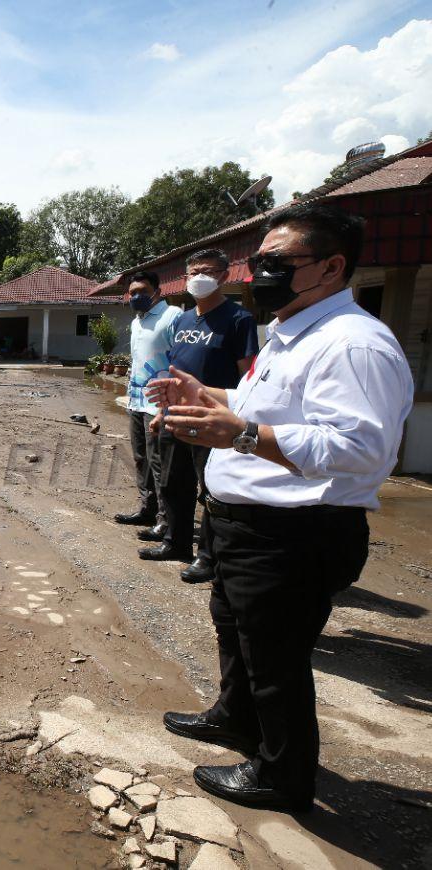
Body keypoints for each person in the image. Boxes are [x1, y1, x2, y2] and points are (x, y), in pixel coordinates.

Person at [150, 203, 413, 810]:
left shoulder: (353, 344)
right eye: (257, 262)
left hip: (294, 533)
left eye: (276, 261)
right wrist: (204, 394)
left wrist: (239, 436)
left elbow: (361, 450)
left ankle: (283, 775)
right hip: (247, 525)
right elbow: (258, 404)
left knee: (276, 659)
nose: (257, 274)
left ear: (331, 267)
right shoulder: (292, 332)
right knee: (237, 632)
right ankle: (235, 719)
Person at [143, 250, 259, 578]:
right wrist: (161, 411)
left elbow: (248, 377)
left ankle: (208, 557)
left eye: (207, 271)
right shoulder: (181, 319)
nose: (199, 277)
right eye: (193, 272)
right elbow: (174, 371)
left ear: (224, 275)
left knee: (212, 489)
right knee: (172, 483)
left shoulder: (239, 320)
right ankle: (175, 542)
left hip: (210, 420)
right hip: (176, 416)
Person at [114, 271, 181, 537]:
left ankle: (165, 519)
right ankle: (147, 509)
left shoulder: (172, 316)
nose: (137, 296)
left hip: (159, 405)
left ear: (158, 291)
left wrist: (168, 406)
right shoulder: (136, 322)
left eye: (143, 290)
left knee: (159, 462)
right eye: (133, 293)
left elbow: (180, 360)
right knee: (141, 458)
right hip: (137, 401)